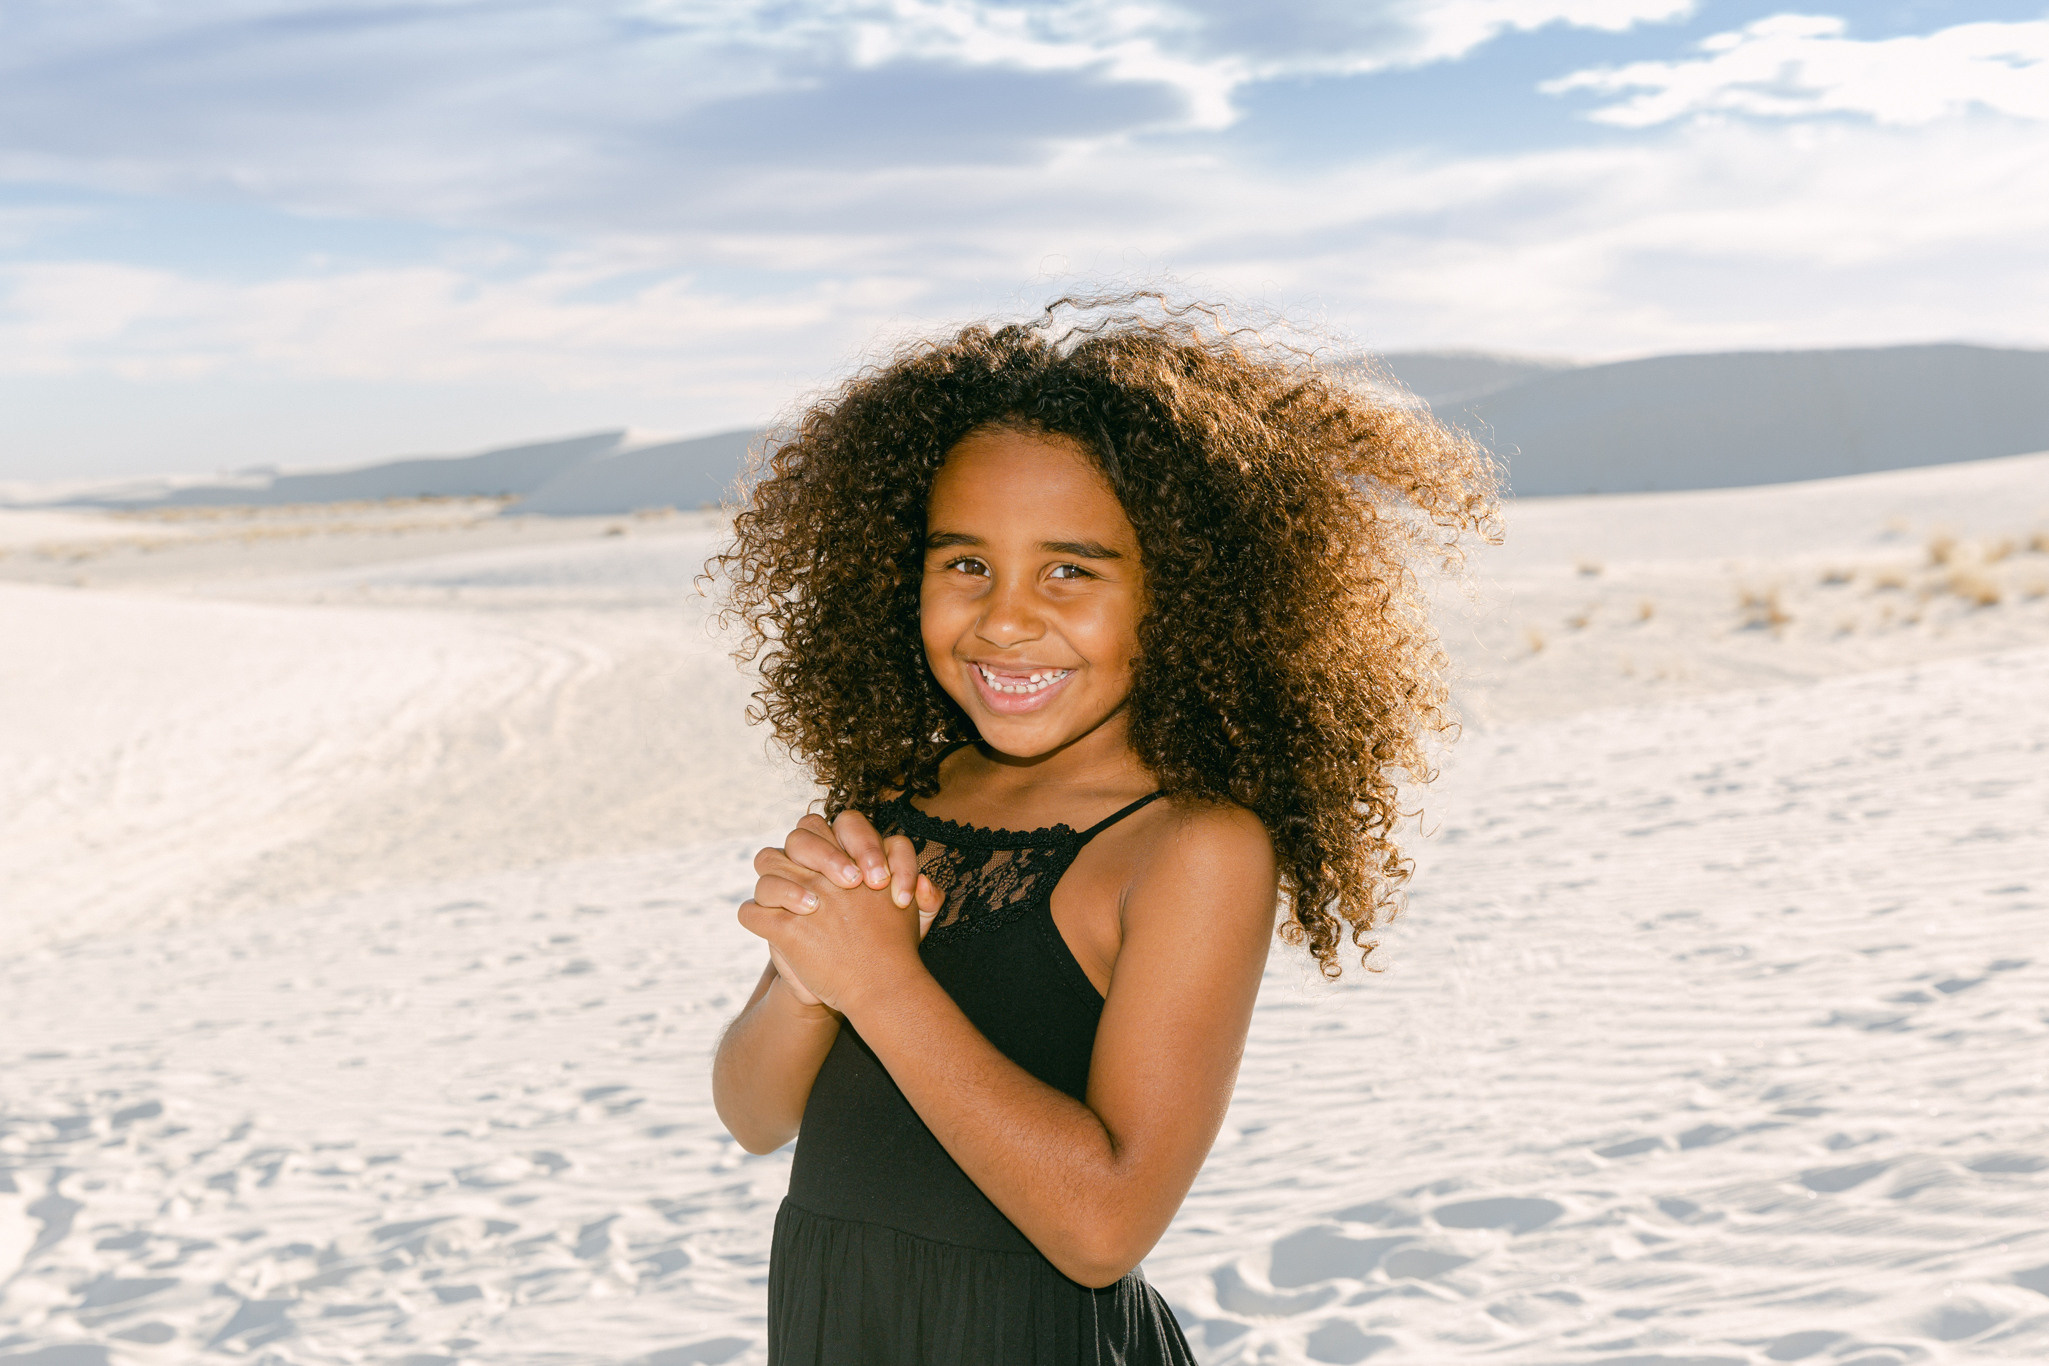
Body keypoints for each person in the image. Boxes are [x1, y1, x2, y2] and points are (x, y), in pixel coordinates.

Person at [709, 296, 1497, 1364]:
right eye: (965, 563)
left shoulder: (1190, 847)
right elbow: (754, 1114)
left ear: (1181, 593)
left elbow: (1103, 1227)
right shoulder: (896, 793)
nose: (1006, 616)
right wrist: (812, 974)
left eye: (1071, 569)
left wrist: (884, 983)